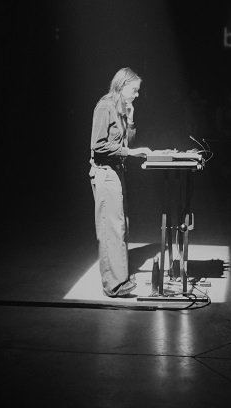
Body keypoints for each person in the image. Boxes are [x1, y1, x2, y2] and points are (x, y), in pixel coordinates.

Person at [89, 67, 151, 297]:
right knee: (110, 228)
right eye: (134, 90)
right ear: (121, 85)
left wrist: (130, 120)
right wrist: (130, 152)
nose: (137, 94)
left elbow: (127, 142)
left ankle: (120, 276)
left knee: (120, 225)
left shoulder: (121, 109)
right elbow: (98, 145)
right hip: (105, 172)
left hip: (116, 172)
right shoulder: (105, 106)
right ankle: (113, 285)